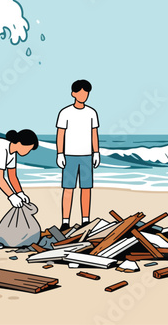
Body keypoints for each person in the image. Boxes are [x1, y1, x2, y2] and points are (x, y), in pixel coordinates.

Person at [56, 79, 100, 231]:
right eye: (81, 92)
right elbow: (60, 134)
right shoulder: (65, 112)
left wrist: (96, 152)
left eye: (86, 92)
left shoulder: (91, 112)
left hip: (87, 155)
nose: (84, 95)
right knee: (68, 189)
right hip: (70, 156)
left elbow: (94, 134)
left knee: (86, 189)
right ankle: (65, 221)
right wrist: (60, 153)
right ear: (73, 93)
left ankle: (86, 220)